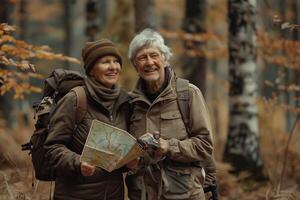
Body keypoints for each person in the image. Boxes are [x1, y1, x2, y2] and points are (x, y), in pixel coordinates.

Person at [126, 28, 217, 200]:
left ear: (165, 59)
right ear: (135, 66)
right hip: (142, 193)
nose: (149, 62)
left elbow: (205, 145)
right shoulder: (130, 102)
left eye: (154, 55)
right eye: (142, 58)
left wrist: (169, 147)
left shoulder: (188, 93)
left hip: (184, 193)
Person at [44, 39, 130, 200]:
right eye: (105, 62)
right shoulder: (75, 99)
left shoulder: (124, 102)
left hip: (114, 195)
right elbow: (52, 148)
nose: (113, 67)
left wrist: (130, 161)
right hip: (75, 195)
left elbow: (117, 156)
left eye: (116, 61)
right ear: (91, 70)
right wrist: (78, 163)